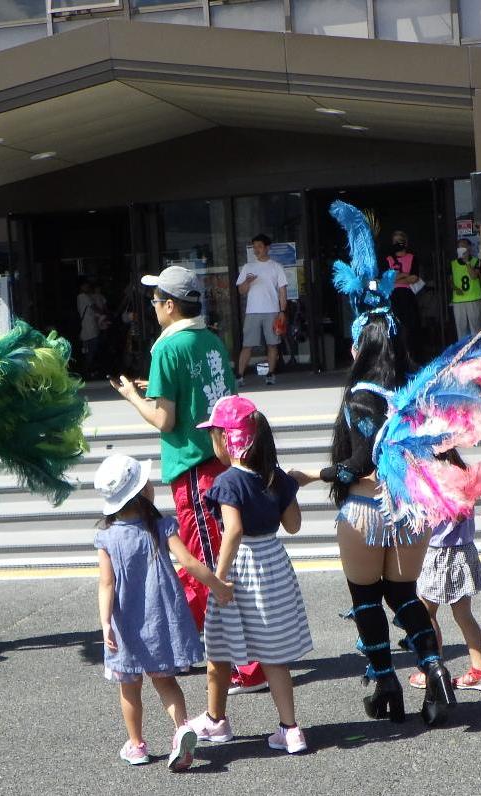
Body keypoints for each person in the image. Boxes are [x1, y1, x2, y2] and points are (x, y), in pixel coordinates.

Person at [290, 314, 456, 726]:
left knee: (365, 599)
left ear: (358, 350)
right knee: (404, 596)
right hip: (412, 512)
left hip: (367, 510)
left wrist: (313, 475)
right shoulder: (418, 391)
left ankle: (387, 686)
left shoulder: (361, 396)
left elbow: (358, 462)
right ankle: (435, 669)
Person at [109, 265, 267, 696]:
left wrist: (133, 397)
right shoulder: (212, 340)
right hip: (221, 461)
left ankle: (244, 664)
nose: (153, 307)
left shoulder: (166, 349)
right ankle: (228, 655)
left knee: (205, 566)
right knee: (219, 561)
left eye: (156, 301)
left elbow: (165, 418)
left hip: (192, 467)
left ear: (171, 305)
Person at [188, 396, 312, 755]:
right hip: (273, 563)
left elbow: (233, 531)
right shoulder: (276, 477)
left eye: (215, 436)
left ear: (229, 439)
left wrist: (219, 580)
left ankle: (216, 720)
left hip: (240, 569)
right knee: (273, 654)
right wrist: (286, 490)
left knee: (218, 646)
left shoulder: (229, 481)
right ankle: (290, 730)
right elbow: (293, 525)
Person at [92, 454, 231, 771]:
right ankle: (182, 729)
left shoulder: (108, 537)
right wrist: (219, 585)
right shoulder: (160, 526)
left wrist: (105, 625)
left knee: (129, 689)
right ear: (141, 492)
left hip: (125, 623)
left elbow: (106, 584)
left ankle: (137, 745)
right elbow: (191, 563)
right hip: (161, 620)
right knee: (165, 683)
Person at [411, 504, 481, 692]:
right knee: (464, 615)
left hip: (439, 552)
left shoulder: (436, 480)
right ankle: (480, 670)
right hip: (464, 550)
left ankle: (433, 671)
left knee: (426, 614)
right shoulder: (465, 479)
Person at [235, 234, 287, 386]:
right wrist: (248, 281)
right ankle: (239, 376)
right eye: (254, 247)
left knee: (272, 344)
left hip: (272, 310)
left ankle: (270, 374)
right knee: (247, 345)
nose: (256, 250)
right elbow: (241, 291)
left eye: (259, 246)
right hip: (252, 311)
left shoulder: (276, 267)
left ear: (267, 248)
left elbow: (282, 291)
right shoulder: (248, 267)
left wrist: (282, 311)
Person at [386, 231, 423, 356]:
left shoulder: (412, 258)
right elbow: (386, 279)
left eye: (400, 240)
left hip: (407, 295)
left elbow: (415, 278)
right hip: (393, 295)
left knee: (410, 326)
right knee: (394, 326)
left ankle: (412, 355)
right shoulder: (388, 259)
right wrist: (404, 275)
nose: (397, 243)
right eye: (395, 241)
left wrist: (396, 277)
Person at [449, 239, 481, 339]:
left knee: (476, 329)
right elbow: (450, 281)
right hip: (458, 301)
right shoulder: (453, 264)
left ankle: (477, 350)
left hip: (473, 298)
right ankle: (463, 351)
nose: (461, 249)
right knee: (461, 330)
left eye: (464, 246)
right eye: (459, 247)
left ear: (469, 248)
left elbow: (473, 276)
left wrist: (467, 262)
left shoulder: (476, 261)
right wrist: (455, 289)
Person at [77, 280, 107, 378]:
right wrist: (103, 312)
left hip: (88, 329)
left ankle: (88, 371)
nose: (87, 288)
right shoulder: (83, 297)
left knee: (89, 351)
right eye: (86, 286)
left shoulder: (82, 297)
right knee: (91, 351)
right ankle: (87, 371)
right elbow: (94, 307)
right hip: (90, 330)